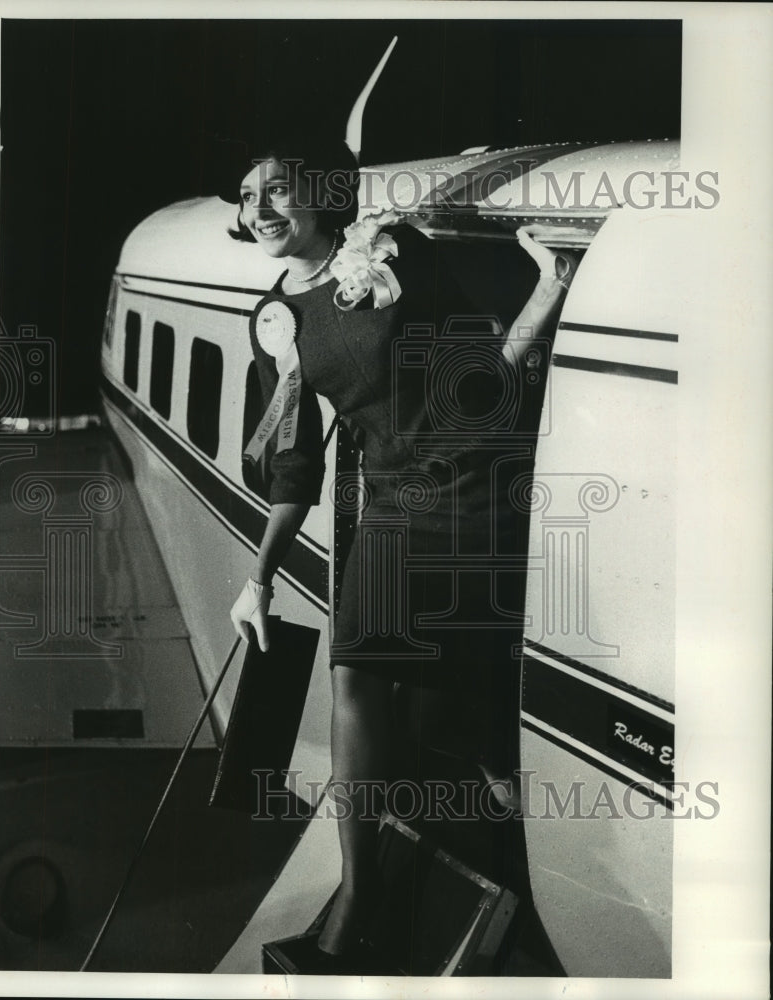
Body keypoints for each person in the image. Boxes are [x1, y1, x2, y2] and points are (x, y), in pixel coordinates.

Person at [228, 131, 575, 967]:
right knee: (355, 674)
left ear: (315, 195)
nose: (260, 209)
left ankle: (485, 876)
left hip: (468, 486)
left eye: (276, 190)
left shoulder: (395, 254)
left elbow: (484, 373)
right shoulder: (274, 318)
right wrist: (259, 580)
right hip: (391, 498)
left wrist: (548, 289)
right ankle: (361, 891)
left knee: (433, 706)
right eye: (246, 198)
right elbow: (296, 463)